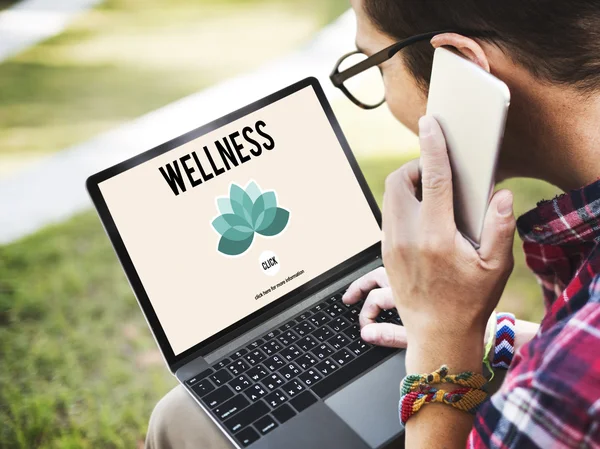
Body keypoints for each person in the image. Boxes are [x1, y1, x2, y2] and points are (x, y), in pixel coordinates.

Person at [146, 0, 600, 447]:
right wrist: (484, 334)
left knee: (178, 420)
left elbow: (569, 377)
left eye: (375, 66)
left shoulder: (567, 391)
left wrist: (442, 344)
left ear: (463, 69)